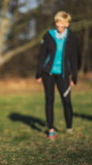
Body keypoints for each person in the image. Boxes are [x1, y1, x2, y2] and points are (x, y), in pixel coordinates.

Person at [35, 11, 78, 140]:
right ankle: (51, 130)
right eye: (57, 22)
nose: (58, 24)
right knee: (50, 100)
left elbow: (74, 58)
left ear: (67, 24)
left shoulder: (71, 37)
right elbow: (41, 55)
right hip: (48, 73)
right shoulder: (48, 35)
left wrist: (74, 76)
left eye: (61, 22)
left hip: (64, 74)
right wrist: (38, 72)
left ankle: (69, 128)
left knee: (67, 101)